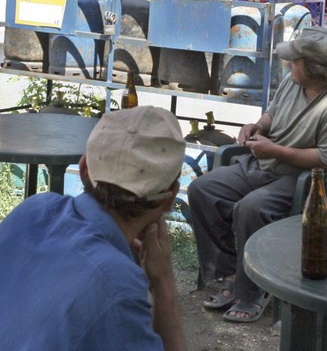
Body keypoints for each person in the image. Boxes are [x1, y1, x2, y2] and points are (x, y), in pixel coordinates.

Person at [188, 26, 327, 323]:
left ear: (315, 68)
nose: (289, 64)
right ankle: (230, 274)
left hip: (302, 181)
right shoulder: (293, 81)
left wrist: (274, 150)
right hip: (262, 166)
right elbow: (272, 114)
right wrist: (257, 127)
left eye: (295, 60)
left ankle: (253, 293)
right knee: (203, 189)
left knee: (251, 208)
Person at [0, 106, 188, 350]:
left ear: (84, 169)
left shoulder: (35, 209)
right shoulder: (118, 285)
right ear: (170, 197)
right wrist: (163, 281)